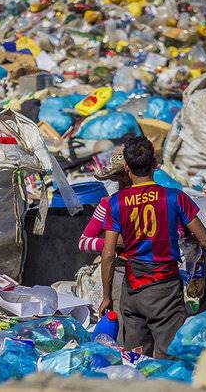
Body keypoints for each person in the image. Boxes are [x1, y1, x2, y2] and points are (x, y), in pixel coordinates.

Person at [99, 136, 206, 358]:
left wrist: (106, 296)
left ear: (126, 167)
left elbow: (108, 255)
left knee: (136, 356)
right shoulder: (175, 197)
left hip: (132, 289)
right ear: (155, 165)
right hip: (165, 290)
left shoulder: (116, 202)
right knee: (168, 358)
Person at [79, 146, 131, 341]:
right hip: (121, 272)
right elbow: (84, 242)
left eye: (127, 178)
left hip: (156, 273)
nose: (124, 183)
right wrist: (113, 243)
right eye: (120, 179)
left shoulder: (157, 200)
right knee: (123, 331)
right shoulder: (108, 204)